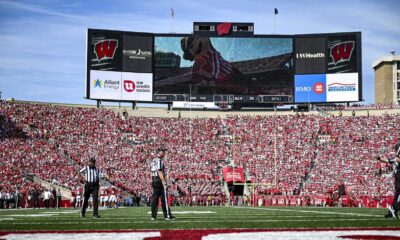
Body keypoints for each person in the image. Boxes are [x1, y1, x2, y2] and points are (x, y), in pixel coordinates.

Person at [376, 139, 400, 219]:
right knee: (398, 194)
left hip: (397, 175)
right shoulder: (397, 157)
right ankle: (394, 208)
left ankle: (392, 211)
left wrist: (378, 158)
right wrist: (379, 158)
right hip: (398, 175)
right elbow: (395, 159)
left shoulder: (396, 157)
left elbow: (389, 160)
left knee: (397, 195)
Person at [150, 147, 175, 221]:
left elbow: (151, 172)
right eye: (163, 152)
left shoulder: (153, 161)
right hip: (159, 180)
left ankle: (153, 216)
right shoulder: (159, 161)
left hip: (154, 180)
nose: (164, 153)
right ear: (160, 152)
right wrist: (164, 182)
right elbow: (160, 171)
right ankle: (167, 215)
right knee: (164, 199)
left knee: (155, 199)